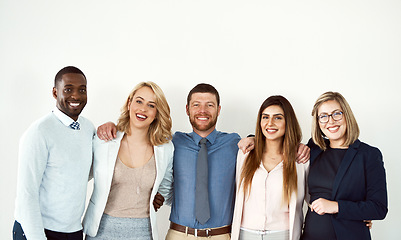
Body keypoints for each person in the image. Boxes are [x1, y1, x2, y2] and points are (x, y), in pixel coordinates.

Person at [97, 83, 310, 239]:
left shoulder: (236, 144)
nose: (202, 110)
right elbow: (140, 133)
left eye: (209, 105)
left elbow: (266, 141)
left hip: (221, 236)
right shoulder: (172, 143)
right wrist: (113, 127)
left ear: (218, 110)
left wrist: (296, 146)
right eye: (196, 105)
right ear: (187, 109)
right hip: (179, 234)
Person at [82, 82, 174, 240]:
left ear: (157, 113)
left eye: (151, 105)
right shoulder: (104, 139)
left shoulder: (165, 147)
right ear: (129, 103)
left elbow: (165, 187)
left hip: (144, 233)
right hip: (101, 232)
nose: (143, 109)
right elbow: (81, 176)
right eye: (139, 101)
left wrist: (157, 197)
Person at [13, 66, 95, 240]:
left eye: (82, 90)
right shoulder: (39, 132)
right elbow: (27, 194)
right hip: (36, 229)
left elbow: (82, 172)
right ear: (55, 92)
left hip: (72, 230)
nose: (76, 96)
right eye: (68, 89)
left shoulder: (88, 128)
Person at [301, 91, 387, 240]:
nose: (331, 121)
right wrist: (252, 139)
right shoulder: (314, 149)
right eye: (323, 116)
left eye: (336, 114)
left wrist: (336, 207)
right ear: (318, 122)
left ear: (346, 115)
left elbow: (378, 208)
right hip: (311, 235)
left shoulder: (368, 155)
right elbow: (277, 147)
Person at [231, 95, 308, 240]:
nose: (270, 123)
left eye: (278, 118)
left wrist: (360, 212)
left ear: (288, 122)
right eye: (265, 117)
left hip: (283, 235)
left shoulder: (300, 160)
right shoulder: (245, 154)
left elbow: (315, 199)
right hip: (245, 234)